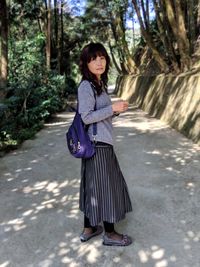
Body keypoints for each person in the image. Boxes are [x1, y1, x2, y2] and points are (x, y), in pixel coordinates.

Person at [77, 42, 133, 246]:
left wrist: (115, 111)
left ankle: (89, 229)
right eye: (94, 59)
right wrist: (112, 108)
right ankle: (110, 234)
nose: (99, 62)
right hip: (97, 146)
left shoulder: (97, 84)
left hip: (100, 144)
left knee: (94, 188)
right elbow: (85, 117)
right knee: (107, 188)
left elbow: (98, 116)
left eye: (102, 58)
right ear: (86, 63)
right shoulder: (86, 86)